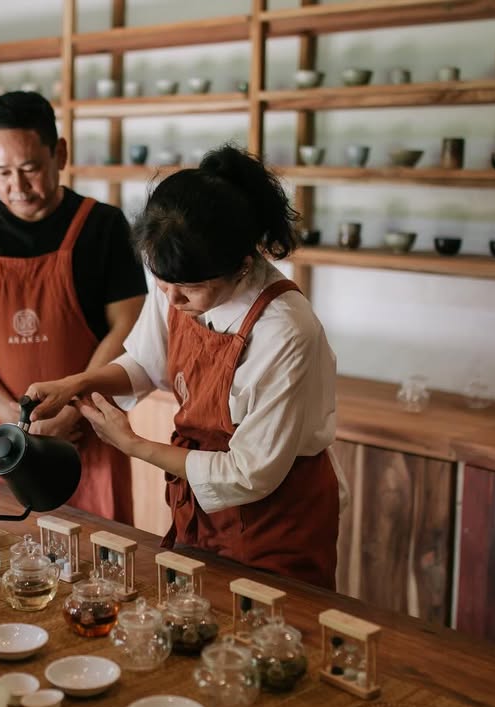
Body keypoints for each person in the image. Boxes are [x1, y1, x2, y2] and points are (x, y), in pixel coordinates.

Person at [25, 145, 345, 589]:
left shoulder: (286, 330)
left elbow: (248, 472)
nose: (172, 300)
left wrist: (133, 444)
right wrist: (77, 382)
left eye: (188, 290)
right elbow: (145, 362)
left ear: (243, 266)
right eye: (162, 284)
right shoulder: (177, 274)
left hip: (276, 519)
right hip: (199, 505)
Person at [0, 91, 146, 524]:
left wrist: (71, 410)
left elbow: (128, 325)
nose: (17, 185)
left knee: (100, 550)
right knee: (4, 547)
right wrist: (14, 417)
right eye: (2, 172)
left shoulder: (103, 227)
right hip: (8, 441)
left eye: (29, 168)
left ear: (59, 154)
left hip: (89, 433)